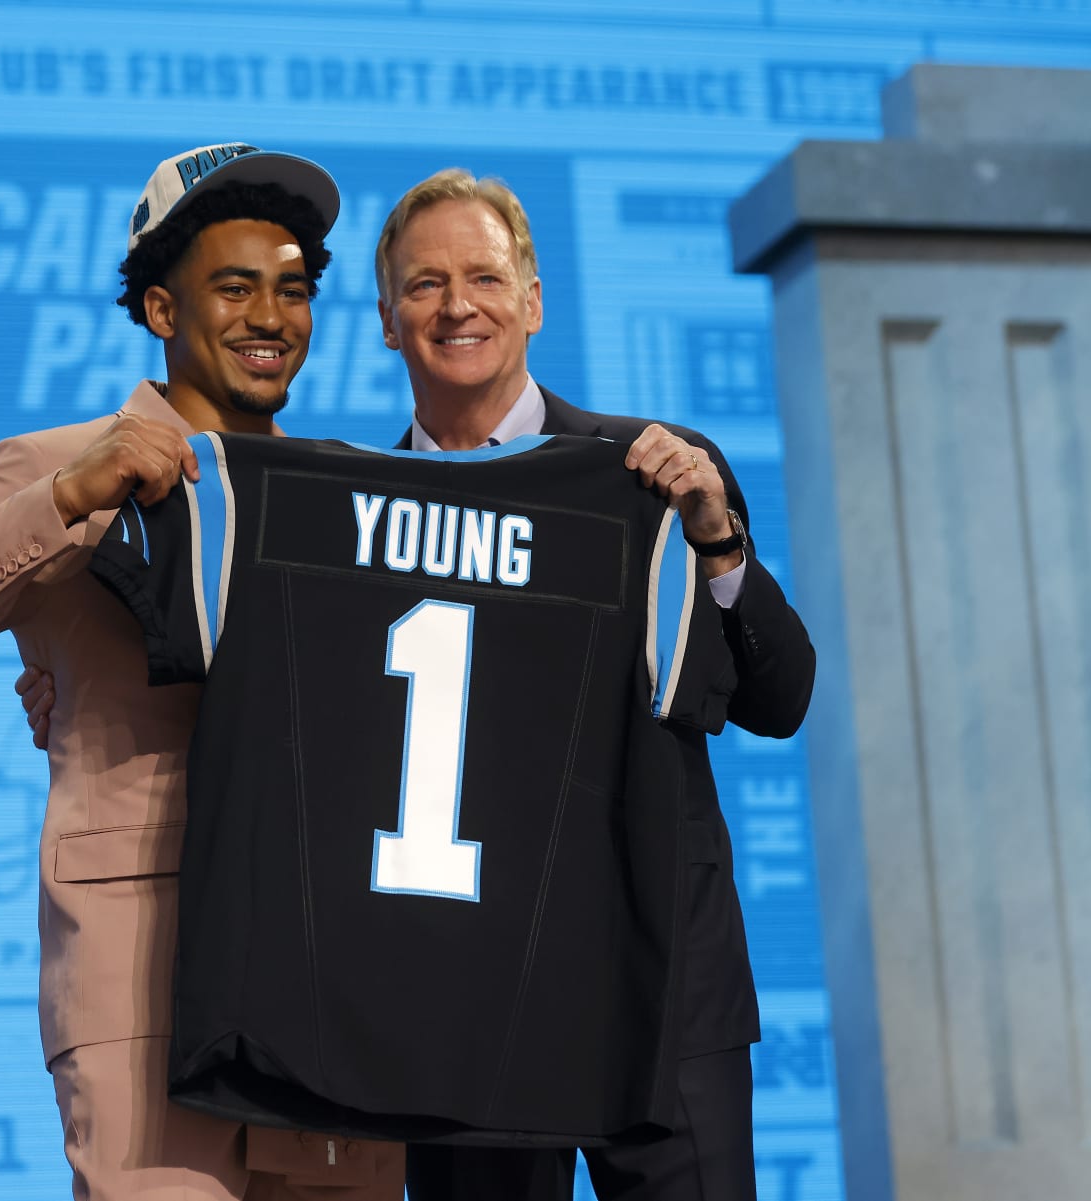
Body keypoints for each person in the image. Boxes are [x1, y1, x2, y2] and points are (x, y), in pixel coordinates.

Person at [0, 143, 404, 1201]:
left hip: (331, 980)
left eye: (292, 290)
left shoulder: (351, 494)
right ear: (159, 308)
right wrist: (71, 499)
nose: (268, 317)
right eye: (232, 287)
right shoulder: (54, 464)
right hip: (144, 981)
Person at [379, 170, 814, 1200]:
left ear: (533, 300)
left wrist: (718, 545)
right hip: (464, 1006)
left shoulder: (653, 474)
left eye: (484, 276)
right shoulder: (362, 515)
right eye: (425, 284)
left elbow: (781, 699)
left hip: (667, 992)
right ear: (388, 319)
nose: (457, 306)